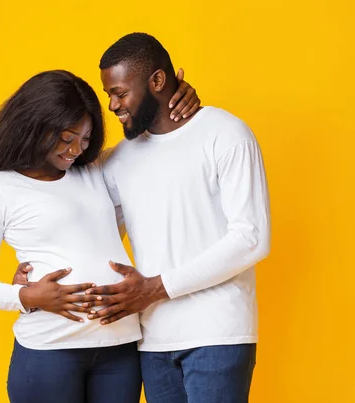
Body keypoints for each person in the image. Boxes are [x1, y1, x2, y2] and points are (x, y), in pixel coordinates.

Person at [16, 32, 270, 403]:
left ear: (157, 81)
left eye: (120, 93)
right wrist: (34, 274)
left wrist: (154, 288)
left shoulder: (225, 134)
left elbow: (251, 239)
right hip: (151, 340)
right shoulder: (118, 160)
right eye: (109, 96)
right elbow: (80, 219)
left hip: (219, 335)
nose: (114, 106)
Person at [0, 69, 200, 403]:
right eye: (67, 138)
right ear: (35, 125)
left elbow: (150, 142)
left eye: (86, 139)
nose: (76, 149)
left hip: (119, 348)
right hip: (50, 350)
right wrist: (30, 298)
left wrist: (172, 97)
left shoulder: (94, 170)